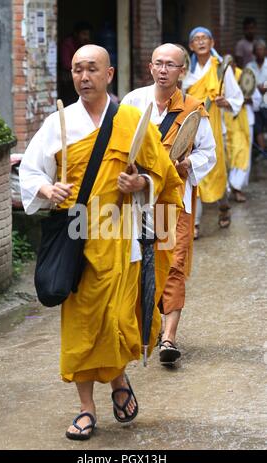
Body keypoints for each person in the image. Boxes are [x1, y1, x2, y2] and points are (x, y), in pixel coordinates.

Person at [19, 45, 183, 440]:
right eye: (77, 70)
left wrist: (140, 182)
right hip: (77, 238)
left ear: (109, 75)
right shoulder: (60, 122)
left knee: (117, 323)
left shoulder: (130, 119)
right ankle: (86, 407)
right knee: (82, 324)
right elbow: (29, 171)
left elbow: (163, 176)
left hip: (121, 235)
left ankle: (119, 378)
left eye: (92, 69)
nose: (84, 76)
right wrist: (48, 187)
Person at [121, 43, 216, 365]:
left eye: (170, 65)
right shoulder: (133, 102)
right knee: (137, 262)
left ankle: (168, 338)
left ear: (181, 71)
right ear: (150, 67)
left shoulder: (194, 109)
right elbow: (120, 147)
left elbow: (208, 153)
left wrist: (190, 165)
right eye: (158, 64)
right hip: (138, 199)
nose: (163, 70)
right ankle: (142, 329)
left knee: (174, 264)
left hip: (176, 200)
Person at [183, 27, 244, 238]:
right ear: (191, 46)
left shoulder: (221, 69)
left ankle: (224, 206)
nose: (200, 42)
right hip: (191, 128)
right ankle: (196, 223)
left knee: (217, 171)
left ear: (212, 43)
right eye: (196, 39)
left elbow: (236, 97)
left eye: (204, 38)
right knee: (193, 172)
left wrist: (225, 102)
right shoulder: (187, 71)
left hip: (215, 128)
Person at [224, 57, 262, 202]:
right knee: (228, 154)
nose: (230, 67)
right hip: (226, 123)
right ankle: (228, 188)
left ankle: (237, 188)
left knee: (243, 153)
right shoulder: (221, 79)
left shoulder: (244, 76)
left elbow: (257, 100)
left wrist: (244, 100)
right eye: (227, 65)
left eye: (232, 64)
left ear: (235, 64)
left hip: (246, 121)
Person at [59, 21, 92, 106]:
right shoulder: (67, 44)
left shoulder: (86, 45)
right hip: (68, 80)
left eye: (88, 35)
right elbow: (66, 64)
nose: (86, 37)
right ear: (76, 34)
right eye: (84, 34)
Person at [246, 39, 267, 157]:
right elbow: (246, 84)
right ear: (254, 52)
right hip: (256, 104)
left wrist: (260, 87)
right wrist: (260, 88)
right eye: (258, 49)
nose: (260, 52)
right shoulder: (249, 66)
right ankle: (262, 152)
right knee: (258, 127)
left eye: (262, 49)